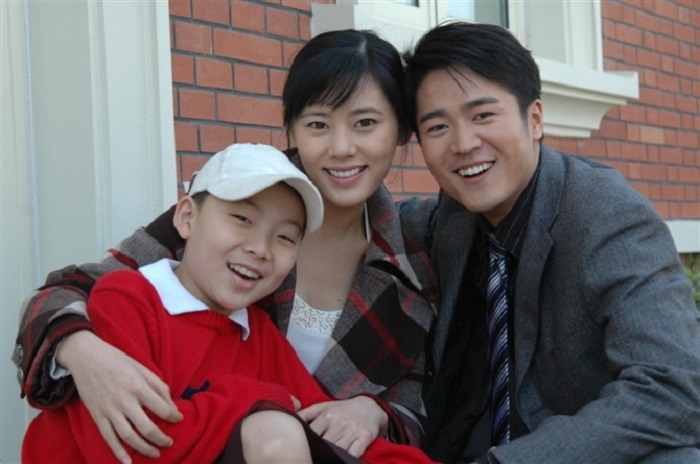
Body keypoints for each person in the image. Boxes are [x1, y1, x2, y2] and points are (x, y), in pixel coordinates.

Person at [14, 30, 437, 463]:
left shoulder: (410, 270)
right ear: (292, 129)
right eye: (318, 125)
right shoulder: (223, 205)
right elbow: (70, 291)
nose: (342, 148)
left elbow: (409, 411)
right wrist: (81, 351)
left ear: (402, 130)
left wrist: (373, 411)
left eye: (365, 123)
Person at [396, 21, 700, 463]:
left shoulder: (607, 217)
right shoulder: (452, 216)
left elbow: (674, 388)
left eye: (483, 116)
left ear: (535, 119)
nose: (463, 144)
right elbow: (368, 219)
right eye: (438, 127)